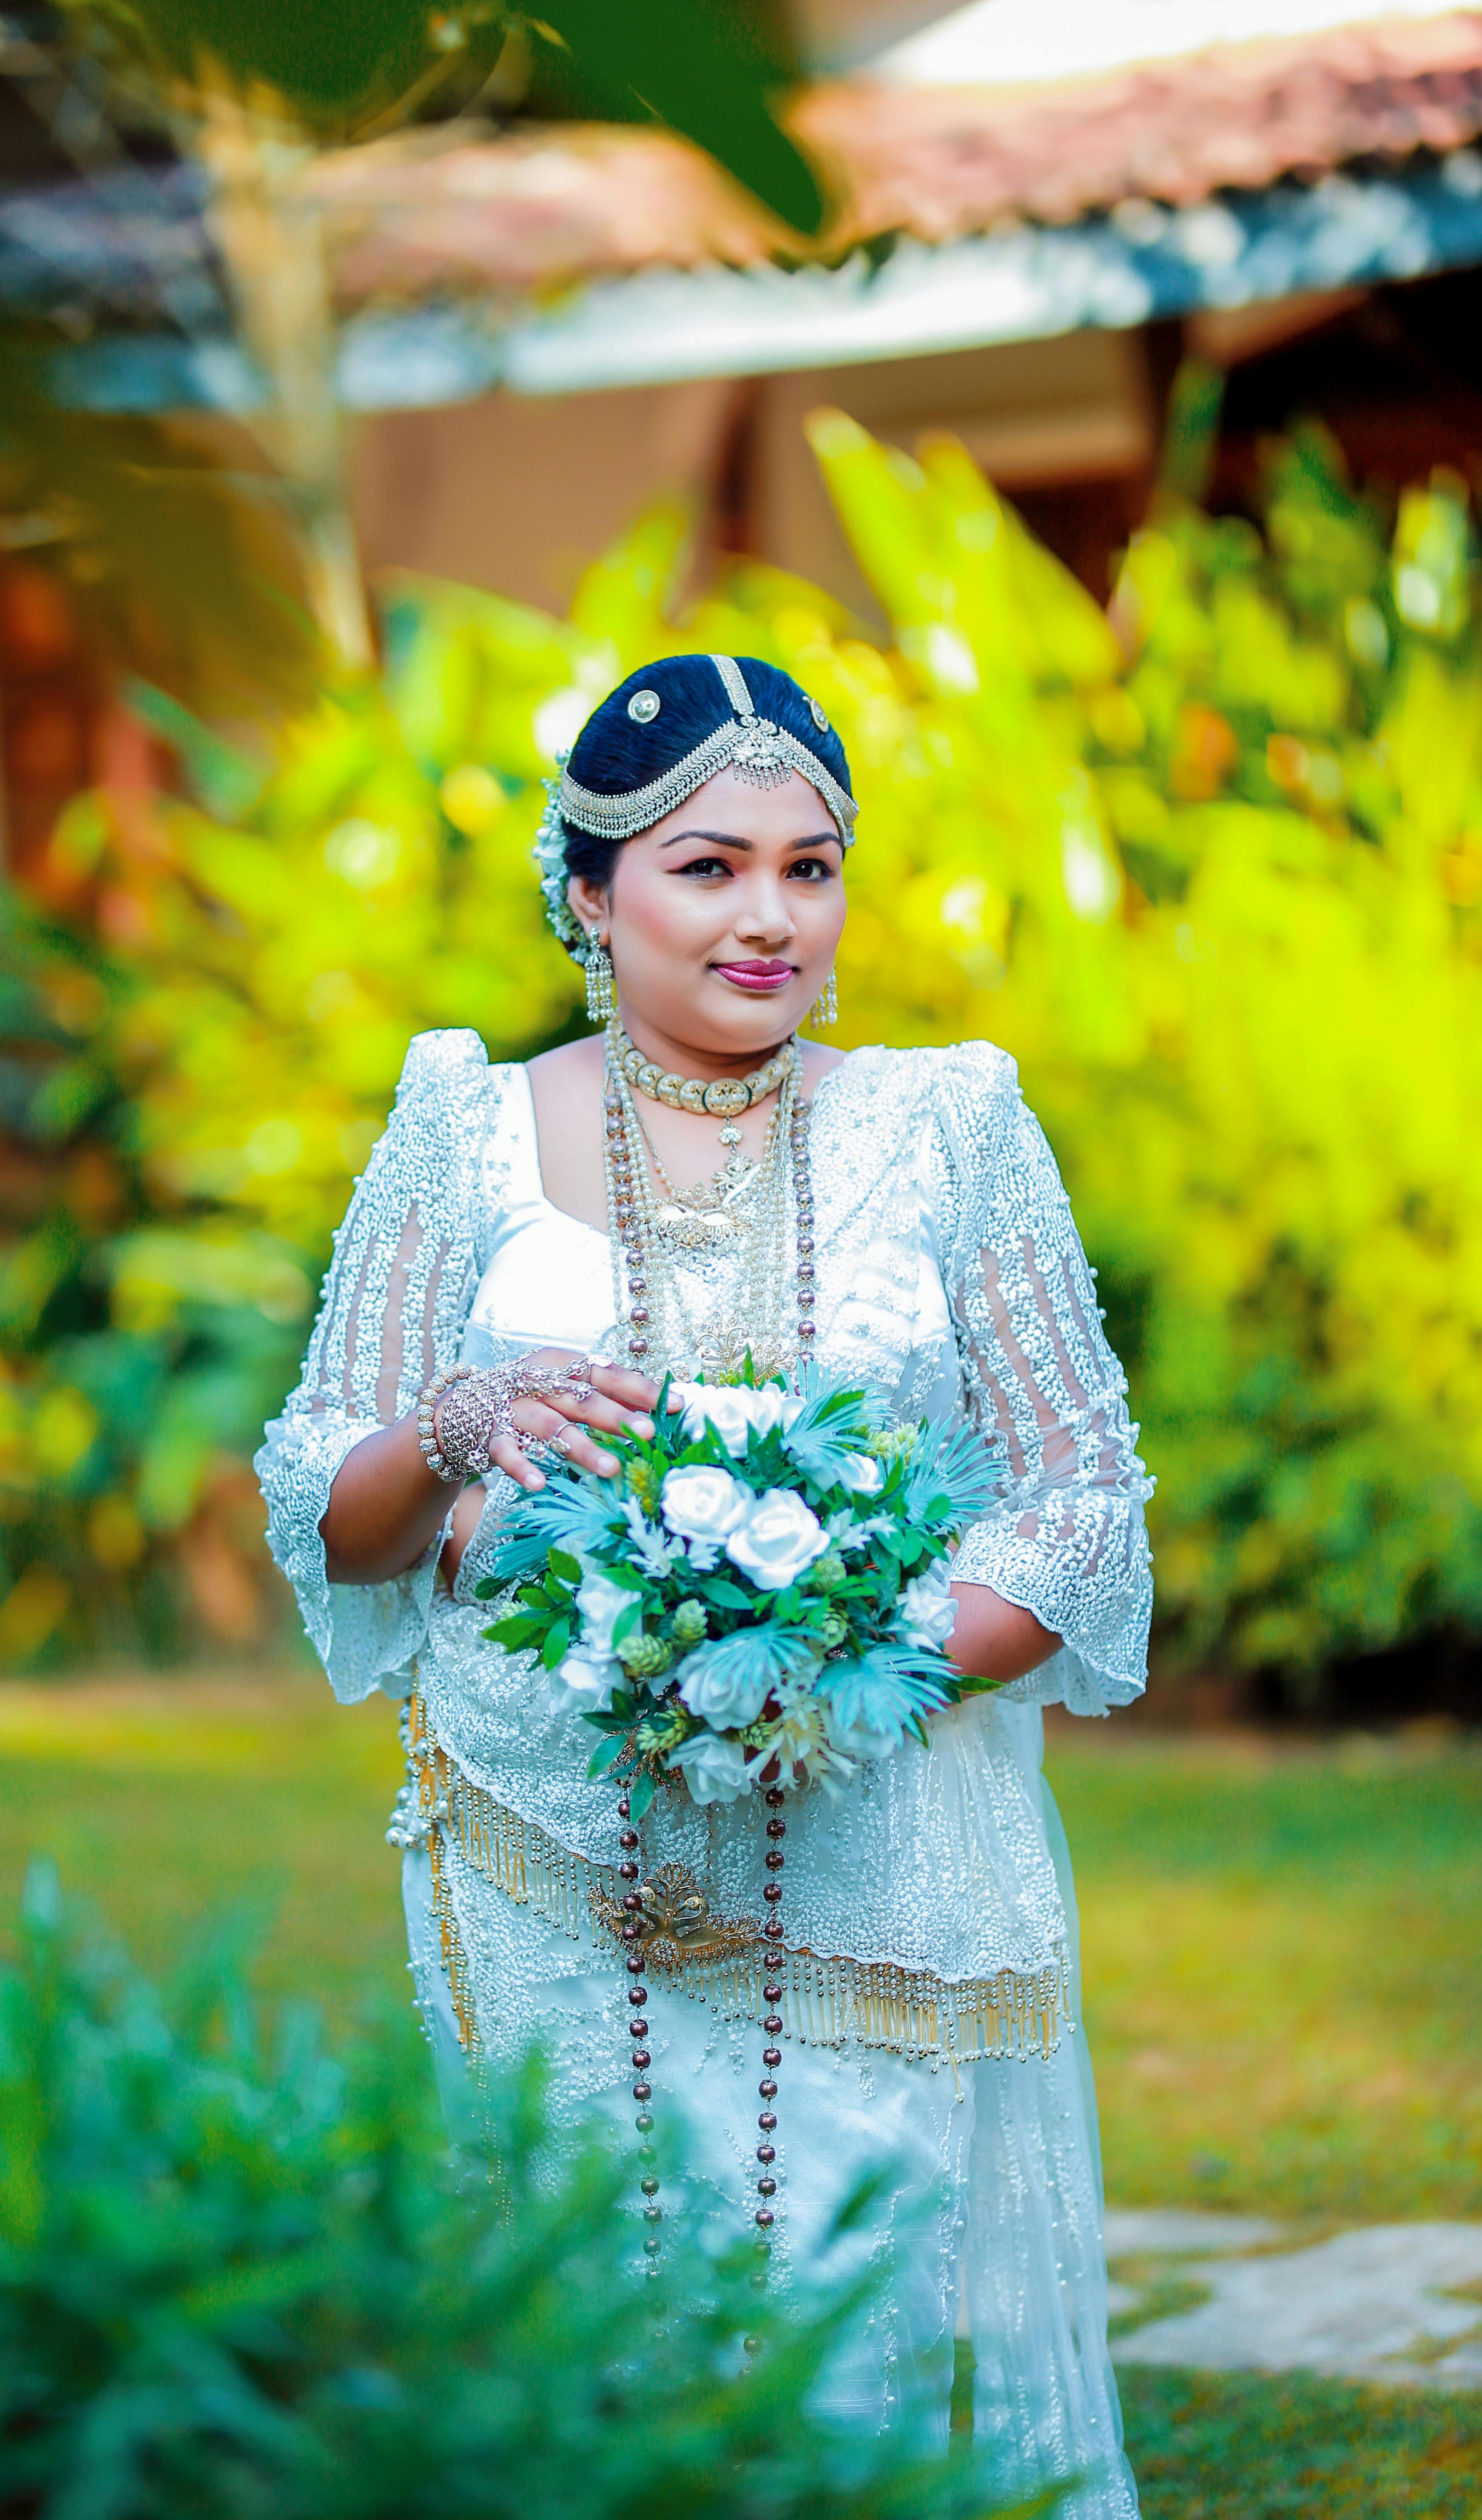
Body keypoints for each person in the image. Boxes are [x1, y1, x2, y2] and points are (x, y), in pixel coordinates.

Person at [257, 654, 1150, 2516]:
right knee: (580, 2336)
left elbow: (1080, 1512)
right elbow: (329, 1510)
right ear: (590, 891)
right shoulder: (462, 1134)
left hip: (864, 1863)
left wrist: (844, 1661)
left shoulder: (951, 1128)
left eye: (811, 869)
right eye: (708, 865)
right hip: (541, 1870)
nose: (771, 917)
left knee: (845, 2346)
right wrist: (460, 1420)